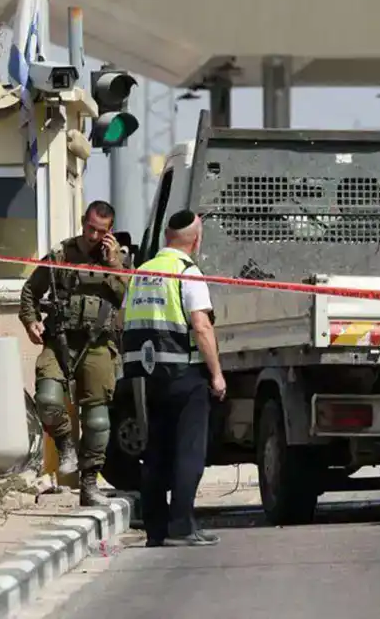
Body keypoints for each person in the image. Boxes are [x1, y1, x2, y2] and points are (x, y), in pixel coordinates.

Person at [121, 210, 226, 547]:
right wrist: (217, 374)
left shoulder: (142, 271)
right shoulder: (187, 272)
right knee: (189, 451)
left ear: (166, 238)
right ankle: (182, 523)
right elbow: (201, 325)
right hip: (182, 373)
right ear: (195, 240)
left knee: (155, 451)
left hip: (143, 375)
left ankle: (155, 528)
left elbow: (124, 318)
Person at [19, 200, 129, 506]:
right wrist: (30, 321)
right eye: (90, 228)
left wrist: (114, 266)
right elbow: (31, 290)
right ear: (83, 222)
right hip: (60, 340)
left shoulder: (117, 261)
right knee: (48, 400)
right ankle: (66, 445)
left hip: (97, 344)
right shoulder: (61, 255)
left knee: (96, 421)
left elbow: (126, 298)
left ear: (110, 232)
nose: (94, 236)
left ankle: (90, 483)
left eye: (101, 231)